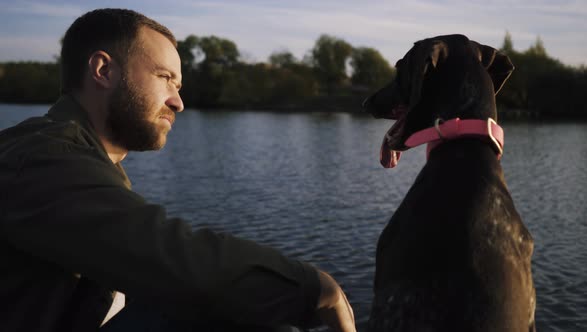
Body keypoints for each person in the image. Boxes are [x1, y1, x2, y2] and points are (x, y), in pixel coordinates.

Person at [0, 8, 355, 332]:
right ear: (103, 70)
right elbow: (162, 250)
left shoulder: (78, 158)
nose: (178, 102)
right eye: (165, 77)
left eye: (178, 85)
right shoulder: (42, 156)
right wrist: (314, 286)